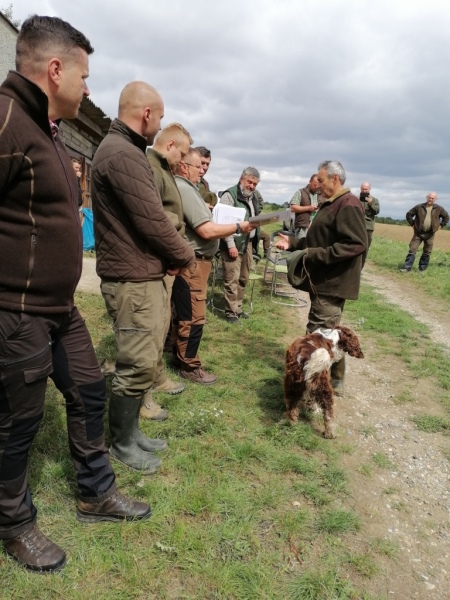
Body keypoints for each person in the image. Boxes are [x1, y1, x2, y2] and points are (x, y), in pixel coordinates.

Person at [0, 15, 150, 574]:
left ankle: (95, 493)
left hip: (60, 310)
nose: (88, 89)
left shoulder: (48, 130)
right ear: (55, 69)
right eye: (85, 76)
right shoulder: (7, 120)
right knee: (18, 423)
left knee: (89, 391)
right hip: (17, 312)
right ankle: (13, 523)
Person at [92, 81, 195, 474]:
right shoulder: (122, 153)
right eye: (160, 117)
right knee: (135, 364)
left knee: (144, 359)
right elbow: (153, 220)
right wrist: (184, 255)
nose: (160, 125)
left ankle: (131, 433)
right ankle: (121, 443)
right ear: (146, 114)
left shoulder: (125, 150)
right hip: (131, 279)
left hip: (139, 273)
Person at [276, 160, 367, 393]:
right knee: (329, 333)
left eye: (321, 179)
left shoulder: (348, 204)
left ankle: (314, 388)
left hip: (332, 283)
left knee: (318, 337)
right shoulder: (332, 203)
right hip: (325, 282)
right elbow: (317, 241)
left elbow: (356, 244)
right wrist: (293, 243)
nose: (318, 183)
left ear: (335, 178)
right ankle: (334, 382)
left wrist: (315, 254)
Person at [173, 148, 256, 383]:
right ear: (184, 167)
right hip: (194, 262)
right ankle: (189, 366)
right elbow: (206, 231)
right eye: (198, 166)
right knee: (194, 316)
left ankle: (177, 355)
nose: (202, 170)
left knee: (182, 312)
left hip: (194, 261)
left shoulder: (187, 188)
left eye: (205, 166)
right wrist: (239, 227)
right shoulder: (185, 188)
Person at [144, 123, 193, 420]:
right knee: (152, 329)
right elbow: (157, 217)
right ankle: (144, 392)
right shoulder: (152, 168)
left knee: (162, 324)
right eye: (183, 154)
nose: (184, 160)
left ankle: (157, 376)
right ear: (171, 145)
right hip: (159, 259)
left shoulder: (163, 169)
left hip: (166, 260)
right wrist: (177, 251)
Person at [219, 167, 261, 323]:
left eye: (255, 184)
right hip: (233, 243)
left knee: (243, 278)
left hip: (247, 243)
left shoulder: (253, 197)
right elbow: (223, 223)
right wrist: (230, 245)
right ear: (241, 179)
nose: (252, 186)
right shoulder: (229, 195)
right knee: (232, 279)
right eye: (249, 182)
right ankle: (230, 312)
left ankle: (238, 307)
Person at [400, 193, 449, 273]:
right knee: (412, 249)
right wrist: (412, 224)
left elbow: (446, 217)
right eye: (429, 197)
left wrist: (440, 226)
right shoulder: (419, 207)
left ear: (435, 199)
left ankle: (421, 269)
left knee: (427, 251)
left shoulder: (439, 208)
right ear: (426, 197)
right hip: (418, 233)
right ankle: (407, 268)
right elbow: (409, 214)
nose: (430, 199)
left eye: (432, 198)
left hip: (430, 234)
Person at [289, 174, 325, 239]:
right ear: (310, 181)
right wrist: (308, 208)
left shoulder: (323, 194)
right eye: (315, 185)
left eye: (318, 185)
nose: (316, 187)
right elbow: (293, 208)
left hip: (317, 227)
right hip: (303, 228)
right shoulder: (300, 192)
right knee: (301, 244)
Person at [359, 181, 380, 267]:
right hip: (357, 226)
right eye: (363, 189)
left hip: (368, 228)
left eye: (366, 189)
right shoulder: (356, 199)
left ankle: (360, 267)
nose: (364, 191)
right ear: (360, 189)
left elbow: (376, 211)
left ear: (369, 189)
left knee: (365, 248)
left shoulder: (374, 200)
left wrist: (370, 204)